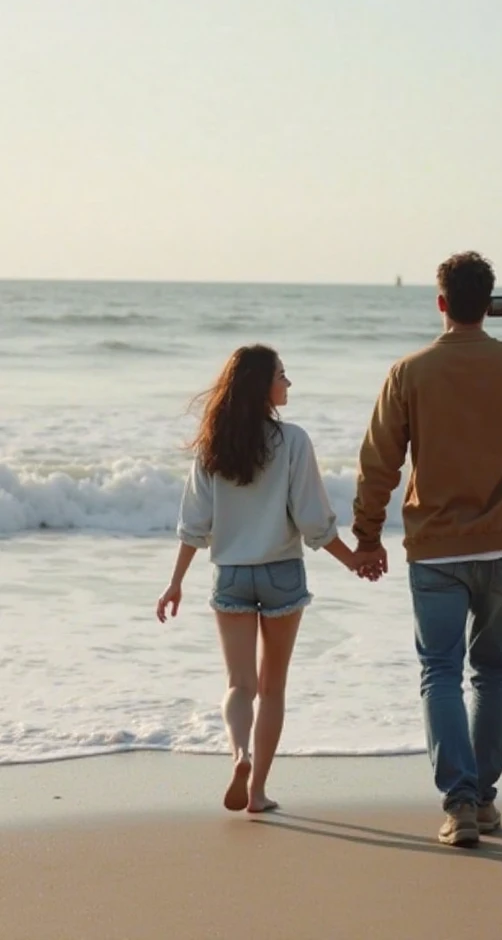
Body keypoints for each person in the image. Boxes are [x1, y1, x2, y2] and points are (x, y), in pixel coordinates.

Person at [351, 252, 502, 847]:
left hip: (434, 549)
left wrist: (366, 536)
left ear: (441, 303)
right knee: (493, 670)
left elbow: (378, 462)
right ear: (489, 304)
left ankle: (460, 802)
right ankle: (482, 799)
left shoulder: (409, 372)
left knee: (440, 671)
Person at [156, 344, 375, 813]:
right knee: (272, 687)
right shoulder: (293, 440)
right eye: (282, 375)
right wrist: (352, 559)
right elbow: (313, 520)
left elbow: (194, 523)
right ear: (263, 385)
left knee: (239, 686)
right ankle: (256, 793)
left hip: (231, 574)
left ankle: (239, 754)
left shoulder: (213, 445)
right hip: (281, 575)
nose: (288, 383)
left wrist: (175, 582)